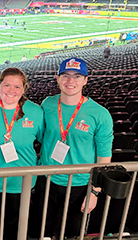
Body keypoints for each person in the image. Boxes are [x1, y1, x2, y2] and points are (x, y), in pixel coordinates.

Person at [38, 58, 113, 238]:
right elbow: (41, 137)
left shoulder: (100, 114)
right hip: (47, 180)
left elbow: (104, 157)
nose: (70, 81)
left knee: (72, 233)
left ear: (86, 80)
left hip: (79, 185)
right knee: (43, 230)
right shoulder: (47, 104)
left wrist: (94, 191)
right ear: (58, 78)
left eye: (77, 76)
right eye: (65, 75)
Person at [0, 68, 44, 240]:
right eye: (7, 85)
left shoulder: (35, 111)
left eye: (17, 86)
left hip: (21, 181)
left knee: (14, 226)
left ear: (24, 88)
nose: (11, 90)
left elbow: (43, 138)